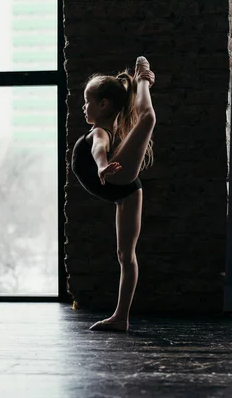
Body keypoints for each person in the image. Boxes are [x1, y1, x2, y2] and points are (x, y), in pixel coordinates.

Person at [71, 56, 156, 332]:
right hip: (128, 192)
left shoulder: (99, 132)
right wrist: (104, 167)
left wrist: (103, 166)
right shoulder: (109, 127)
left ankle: (143, 78)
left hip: (119, 178)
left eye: (88, 102)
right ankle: (121, 318)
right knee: (125, 255)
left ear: (103, 105)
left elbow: (98, 148)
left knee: (147, 118)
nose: (84, 107)